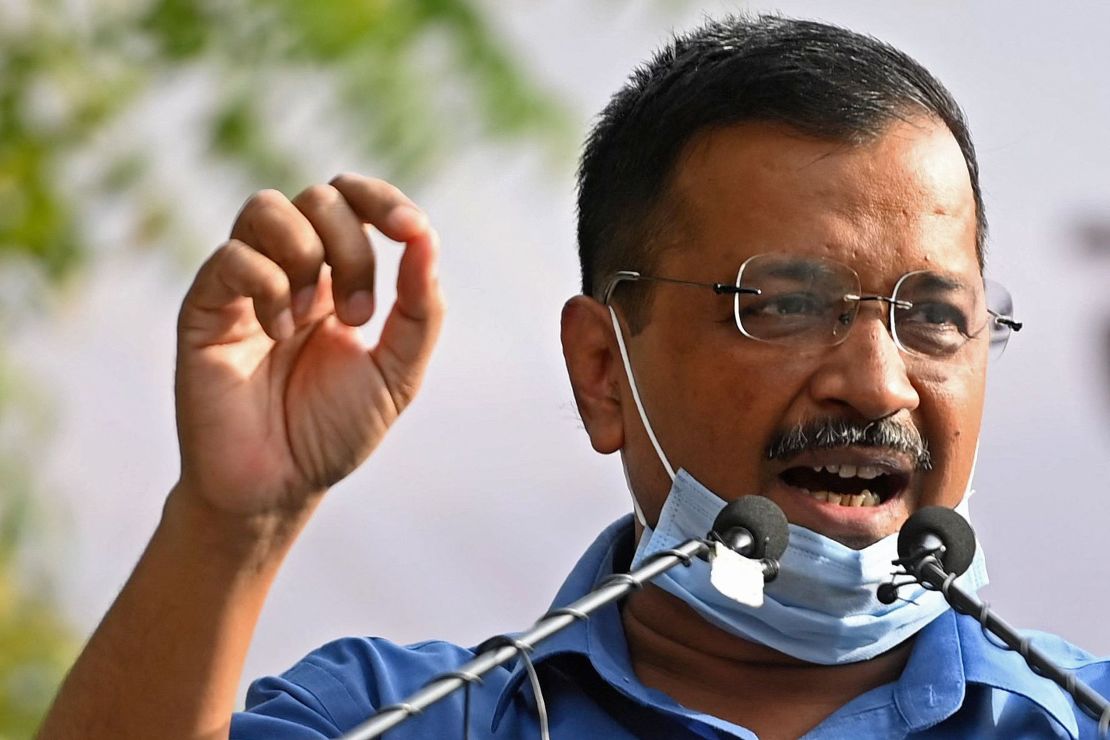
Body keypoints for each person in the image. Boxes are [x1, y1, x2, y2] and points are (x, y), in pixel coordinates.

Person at [36, 13, 1110, 740]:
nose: (877, 385)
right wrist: (232, 519)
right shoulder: (400, 717)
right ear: (603, 369)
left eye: (932, 317)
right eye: (783, 304)